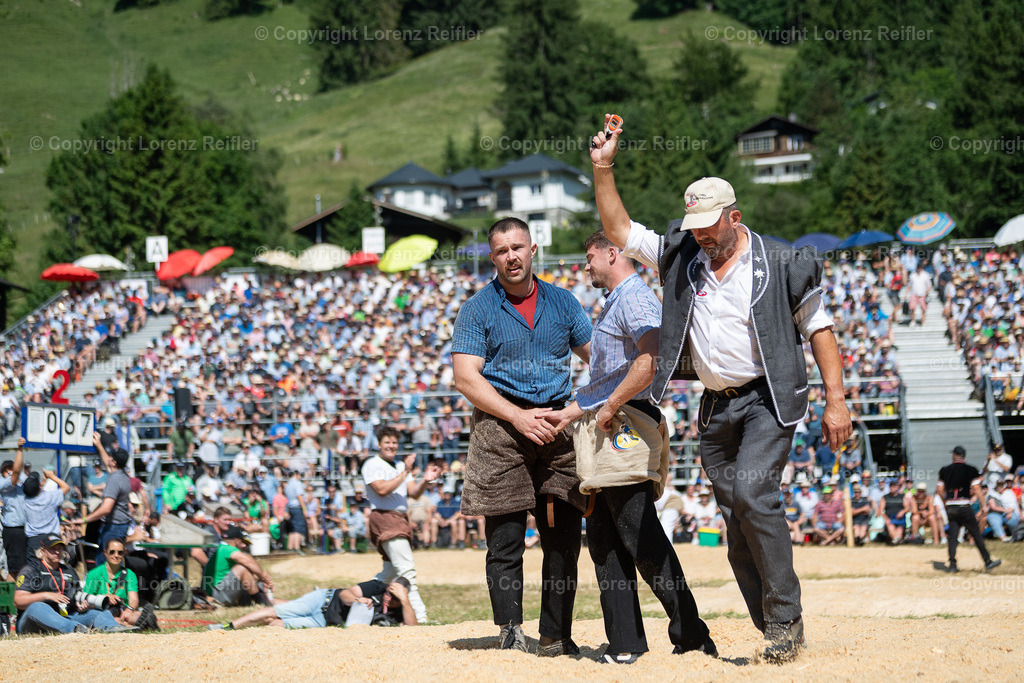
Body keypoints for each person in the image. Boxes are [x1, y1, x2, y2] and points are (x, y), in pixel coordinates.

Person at [590, 116, 852, 663]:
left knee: (756, 497)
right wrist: (603, 166)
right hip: (715, 410)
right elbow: (618, 229)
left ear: (735, 216)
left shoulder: (781, 260)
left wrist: (837, 400)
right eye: (695, 225)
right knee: (735, 524)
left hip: (767, 400)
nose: (702, 234)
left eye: (710, 225)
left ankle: (784, 621)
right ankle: (774, 629)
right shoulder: (683, 254)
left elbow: (820, 330)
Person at [542, 229, 715, 663]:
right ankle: (625, 643)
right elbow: (606, 378)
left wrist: (610, 405)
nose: (585, 265)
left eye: (590, 256)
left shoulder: (634, 295)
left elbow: (651, 359)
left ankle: (691, 633)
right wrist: (573, 410)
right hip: (611, 421)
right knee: (604, 539)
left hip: (625, 423)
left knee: (640, 534)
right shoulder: (618, 300)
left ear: (612, 253)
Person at [451, 216, 593, 655]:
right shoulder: (477, 308)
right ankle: (510, 631)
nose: (511, 256)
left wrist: (575, 409)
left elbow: (600, 360)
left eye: (517, 247)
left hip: (556, 427)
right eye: (501, 251)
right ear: (492, 257)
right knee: (506, 538)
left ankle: (554, 634)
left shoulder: (565, 302)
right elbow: (465, 377)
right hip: (500, 429)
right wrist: (516, 416)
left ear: (533, 250)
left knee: (563, 537)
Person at [361, 426, 441, 623]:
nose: (391, 446)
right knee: (406, 571)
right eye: (387, 442)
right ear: (379, 444)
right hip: (385, 518)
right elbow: (381, 490)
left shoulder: (399, 466)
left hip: (399, 519)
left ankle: (359, 597)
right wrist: (405, 471)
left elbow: (414, 492)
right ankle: (420, 616)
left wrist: (425, 480)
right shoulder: (372, 464)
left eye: (394, 442)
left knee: (388, 574)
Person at [14, 532, 135, 634]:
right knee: (38, 606)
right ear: (43, 550)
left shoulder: (68, 570)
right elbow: (18, 601)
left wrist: (82, 606)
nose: (57, 552)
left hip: (66, 616)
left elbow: (76, 597)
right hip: (33, 621)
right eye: (52, 549)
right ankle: (75, 630)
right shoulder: (32, 569)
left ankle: (114, 628)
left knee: (95, 612)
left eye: (59, 549)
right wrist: (46, 596)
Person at [210, 577, 416, 631]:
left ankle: (259, 617)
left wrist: (405, 601)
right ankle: (229, 626)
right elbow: (345, 594)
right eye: (390, 593)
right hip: (323, 600)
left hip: (323, 622)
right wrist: (357, 600)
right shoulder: (377, 587)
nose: (389, 598)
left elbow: (413, 629)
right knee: (276, 610)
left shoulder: (402, 611)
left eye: (395, 597)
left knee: (276, 623)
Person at [937, 445, 1001, 573]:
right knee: (976, 534)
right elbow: (977, 488)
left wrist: (946, 503)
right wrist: (983, 505)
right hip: (964, 505)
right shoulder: (971, 469)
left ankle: (952, 565)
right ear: (964, 456)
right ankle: (987, 561)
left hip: (951, 506)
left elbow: (939, 490)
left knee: (953, 537)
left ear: (954, 455)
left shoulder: (945, 470)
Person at [78, 431, 133, 564]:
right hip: (118, 525)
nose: (108, 458)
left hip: (114, 527)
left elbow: (106, 509)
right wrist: (99, 445)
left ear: (114, 462)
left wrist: (84, 519)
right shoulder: (122, 475)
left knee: (105, 565)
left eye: (111, 457)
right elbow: (108, 463)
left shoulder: (114, 480)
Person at [82, 537, 159, 630]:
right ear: (105, 553)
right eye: (112, 552)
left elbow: (134, 600)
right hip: (102, 612)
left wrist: (129, 610)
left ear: (124, 553)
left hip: (123, 610)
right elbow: (86, 599)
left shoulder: (129, 574)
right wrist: (104, 597)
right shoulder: (94, 574)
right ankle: (130, 626)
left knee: (137, 616)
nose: (116, 555)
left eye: (120, 552)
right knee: (113, 620)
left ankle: (136, 623)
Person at [201, 526, 275, 607]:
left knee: (251, 575)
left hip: (218, 592)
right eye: (242, 542)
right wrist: (264, 576)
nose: (244, 546)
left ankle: (263, 599)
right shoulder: (226, 548)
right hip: (216, 596)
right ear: (236, 540)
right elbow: (248, 561)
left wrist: (260, 579)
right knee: (241, 569)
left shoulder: (221, 548)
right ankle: (261, 601)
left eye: (246, 544)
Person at [1, 439, 28, 574]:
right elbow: (17, 472)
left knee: (28, 567)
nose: (10, 472)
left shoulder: (21, 483)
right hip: (13, 530)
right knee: (16, 569)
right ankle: (13, 595)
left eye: (11, 468)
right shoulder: (4, 485)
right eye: (6, 471)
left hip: (27, 528)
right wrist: (19, 449)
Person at [985, 475, 1020, 543]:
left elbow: (1012, 505)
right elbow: (993, 507)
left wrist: (1009, 512)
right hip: (996, 514)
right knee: (993, 519)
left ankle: (1014, 536)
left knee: (1013, 518)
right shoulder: (992, 493)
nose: (1000, 487)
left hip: (1008, 513)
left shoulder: (1009, 492)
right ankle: (1003, 537)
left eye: (1001, 485)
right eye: (998, 485)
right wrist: (1006, 510)